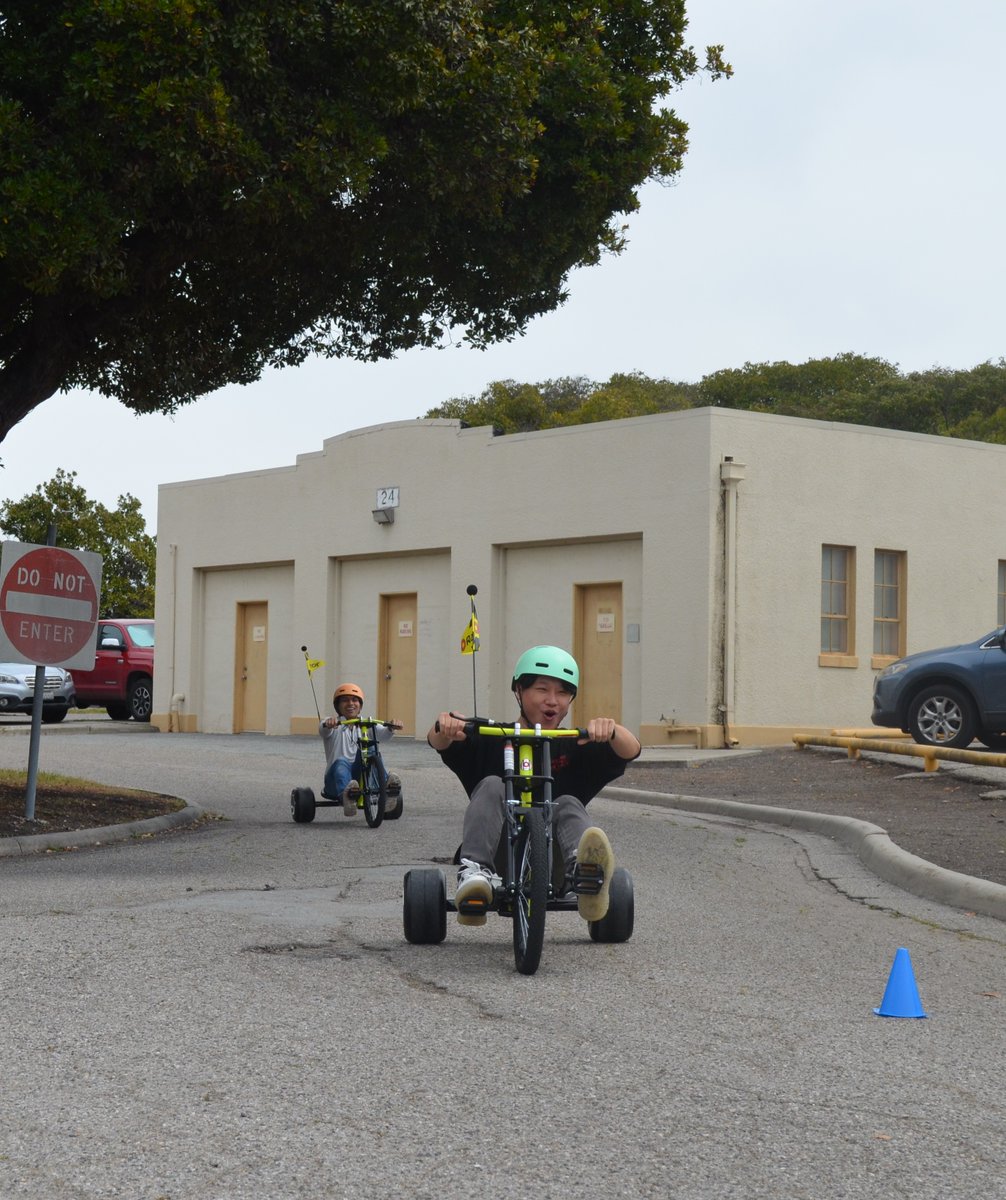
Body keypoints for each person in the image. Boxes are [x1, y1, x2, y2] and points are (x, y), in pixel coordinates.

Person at [428, 645, 641, 924]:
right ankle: (474, 873)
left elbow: (630, 750)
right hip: (498, 860)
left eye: (562, 692)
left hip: (556, 863)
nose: (552, 701)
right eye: (542, 689)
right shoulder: (492, 737)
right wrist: (445, 725)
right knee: (493, 784)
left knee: (567, 802)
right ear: (519, 690)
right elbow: (438, 741)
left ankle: (586, 874)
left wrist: (612, 730)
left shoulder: (575, 743)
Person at [320, 683, 403, 816]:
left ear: (360, 705)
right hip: (335, 782)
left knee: (372, 752)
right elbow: (323, 730)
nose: (350, 703)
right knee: (341, 762)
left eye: (354, 700)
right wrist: (328, 724)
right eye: (345, 700)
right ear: (338, 705)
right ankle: (347, 797)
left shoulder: (366, 724)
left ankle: (387, 789)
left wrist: (391, 727)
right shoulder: (334, 725)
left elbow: (384, 735)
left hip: (362, 778)